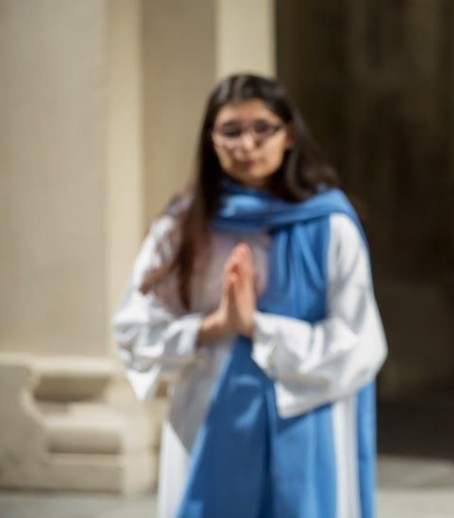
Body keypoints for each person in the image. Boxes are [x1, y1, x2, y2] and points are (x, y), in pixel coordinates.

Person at [113, 74, 387, 518]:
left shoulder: (330, 224)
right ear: (211, 139)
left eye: (263, 129)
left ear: (289, 135)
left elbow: (359, 342)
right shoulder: (183, 226)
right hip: (208, 419)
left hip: (304, 415)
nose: (247, 145)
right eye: (231, 131)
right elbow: (133, 329)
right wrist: (214, 326)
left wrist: (257, 328)